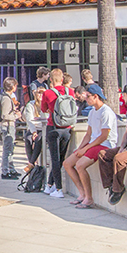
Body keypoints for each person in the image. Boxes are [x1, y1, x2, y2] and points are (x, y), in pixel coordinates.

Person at [63, 85, 117, 208]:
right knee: (67, 163)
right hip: (93, 143)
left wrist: (86, 149)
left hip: (104, 145)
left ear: (95, 96)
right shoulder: (92, 111)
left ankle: (89, 198)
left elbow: (104, 136)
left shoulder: (106, 112)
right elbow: (88, 134)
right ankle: (82, 194)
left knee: (80, 165)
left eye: (88, 96)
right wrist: (80, 148)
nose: (85, 99)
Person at [41, 68, 74, 198]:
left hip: (53, 127)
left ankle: (59, 189)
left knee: (54, 159)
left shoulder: (48, 93)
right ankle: (50, 185)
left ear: (51, 80)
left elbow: (43, 108)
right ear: (62, 79)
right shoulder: (70, 91)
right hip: (67, 128)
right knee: (61, 158)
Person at [0, 77, 21, 180]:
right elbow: (4, 115)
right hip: (7, 126)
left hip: (8, 125)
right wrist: (16, 116)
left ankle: (11, 169)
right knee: (7, 149)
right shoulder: (6, 98)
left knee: (10, 148)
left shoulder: (6, 97)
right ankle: (5, 171)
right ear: (12, 86)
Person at [22, 87, 46, 173]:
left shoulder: (46, 104)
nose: (40, 95)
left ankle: (31, 164)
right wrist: (34, 132)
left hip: (44, 128)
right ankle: (31, 161)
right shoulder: (31, 105)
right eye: (38, 93)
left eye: (42, 93)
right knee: (28, 139)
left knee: (39, 139)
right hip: (34, 127)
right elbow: (29, 120)